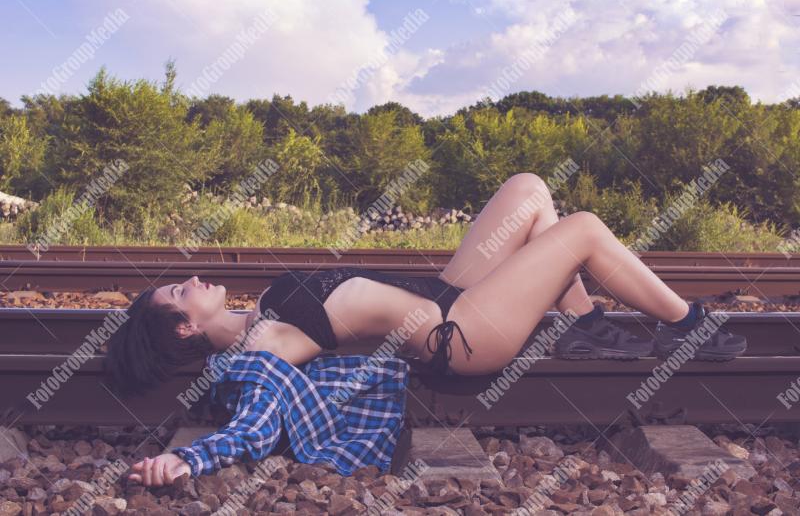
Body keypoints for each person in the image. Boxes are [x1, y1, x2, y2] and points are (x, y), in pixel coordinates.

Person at [106, 172, 747, 486]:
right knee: (580, 229)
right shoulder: (262, 349)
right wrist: (183, 460)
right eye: (178, 292)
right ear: (186, 329)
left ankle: (584, 323)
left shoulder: (262, 311)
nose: (192, 280)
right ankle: (689, 326)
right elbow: (254, 423)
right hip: (461, 335)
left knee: (528, 188)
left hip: (450, 293)